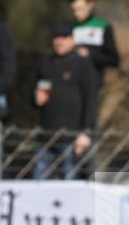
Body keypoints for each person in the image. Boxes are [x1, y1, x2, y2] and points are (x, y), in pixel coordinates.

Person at [33, 22, 98, 179]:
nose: (59, 41)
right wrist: (35, 98)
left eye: (64, 38)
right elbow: (34, 94)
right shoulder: (46, 64)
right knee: (38, 181)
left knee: (71, 182)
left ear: (72, 40)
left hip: (71, 137)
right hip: (45, 136)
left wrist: (86, 131)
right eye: (56, 38)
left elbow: (91, 99)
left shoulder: (82, 64)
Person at [69, 0, 120, 84]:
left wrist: (90, 55)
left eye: (80, 9)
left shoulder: (103, 27)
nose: (76, 14)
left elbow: (114, 60)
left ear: (91, 4)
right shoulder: (70, 28)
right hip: (72, 83)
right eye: (73, 10)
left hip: (94, 83)